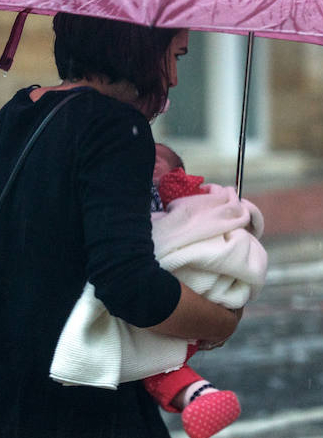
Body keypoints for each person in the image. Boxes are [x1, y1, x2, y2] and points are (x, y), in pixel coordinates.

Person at [0, 13, 241, 438]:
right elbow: (128, 284)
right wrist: (220, 321)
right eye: (173, 55)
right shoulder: (115, 127)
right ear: (135, 47)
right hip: (75, 406)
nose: (173, 77)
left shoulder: (18, 111)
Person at [50, 143, 267, 438]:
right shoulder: (124, 182)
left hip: (173, 294)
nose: (151, 162)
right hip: (164, 303)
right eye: (147, 155)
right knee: (157, 367)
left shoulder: (168, 191)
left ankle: (199, 395)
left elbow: (193, 218)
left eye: (161, 160)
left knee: (152, 361)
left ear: (177, 171)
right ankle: (201, 395)